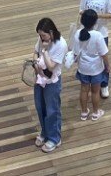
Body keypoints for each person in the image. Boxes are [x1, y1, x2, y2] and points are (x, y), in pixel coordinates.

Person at [32, 18, 67, 153]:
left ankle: (54, 138)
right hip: (39, 79)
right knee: (40, 107)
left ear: (51, 32)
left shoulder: (61, 44)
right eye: (40, 35)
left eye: (43, 35)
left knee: (52, 110)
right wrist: (35, 62)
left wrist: (45, 51)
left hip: (52, 81)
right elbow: (35, 51)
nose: (41, 38)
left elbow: (51, 67)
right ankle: (45, 132)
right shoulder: (42, 40)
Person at [79, 0, 111, 98]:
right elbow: (81, 11)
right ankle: (88, 80)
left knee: (102, 58)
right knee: (88, 56)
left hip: (101, 33)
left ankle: (104, 84)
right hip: (88, 31)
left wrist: (97, 15)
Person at [72, 9, 110, 122]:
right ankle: (95, 113)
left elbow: (75, 52)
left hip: (83, 68)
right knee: (95, 91)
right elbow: (104, 54)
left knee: (84, 90)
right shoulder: (98, 35)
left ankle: (84, 113)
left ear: (82, 21)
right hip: (96, 69)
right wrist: (107, 66)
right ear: (95, 22)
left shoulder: (78, 33)